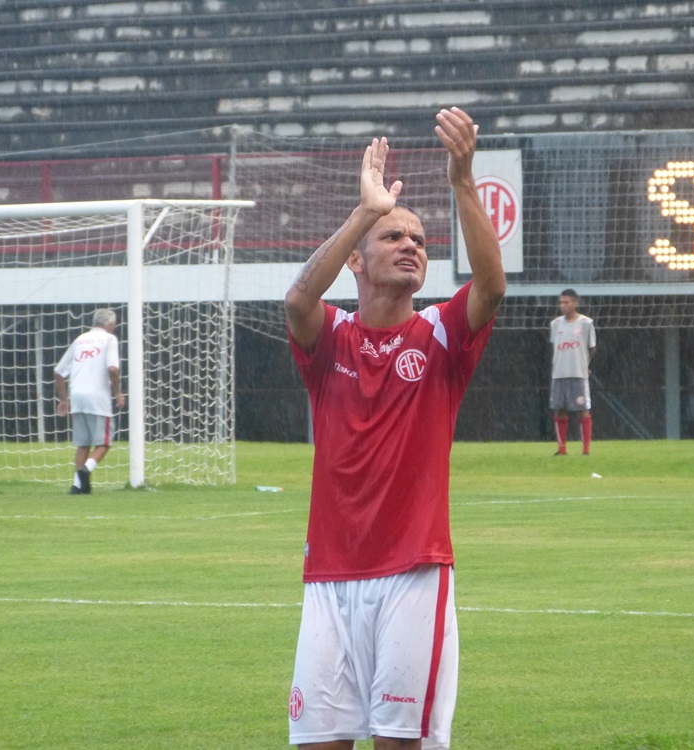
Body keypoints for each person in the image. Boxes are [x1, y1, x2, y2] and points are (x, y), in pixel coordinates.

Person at [284, 107, 505, 750]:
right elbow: (297, 301)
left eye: (420, 240)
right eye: (394, 237)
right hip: (328, 578)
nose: (412, 245)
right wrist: (364, 211)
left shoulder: (439, 335)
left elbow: (491, 286)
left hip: (413, 573)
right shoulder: (332, 340)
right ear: (357, 261)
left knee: (399, 745)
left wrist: (463, 181)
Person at [54, 308, 125, 495]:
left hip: (77, 396)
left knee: (83, 443)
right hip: (97, 397)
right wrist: (118, 392)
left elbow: (59, 372)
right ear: (111, 324)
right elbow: (112, 369)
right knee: (104, 442)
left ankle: (77, 486)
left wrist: (64, 400)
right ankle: (86, 469)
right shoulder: (110, 339)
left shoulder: (80, 339)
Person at [548, 289, 596, 456]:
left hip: (578, 373)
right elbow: (556, 347)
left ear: (575, 303)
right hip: (559, 373)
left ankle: (586, 449)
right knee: (559, 409)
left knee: (582, 409)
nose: (563, 306)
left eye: (566, 302)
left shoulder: (586, 323)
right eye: (561, 302)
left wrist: (585, 364)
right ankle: (562, 449)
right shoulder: (555, 324)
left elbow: (592, 348)